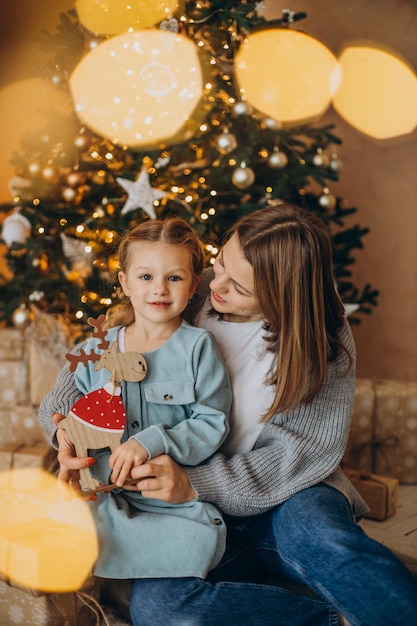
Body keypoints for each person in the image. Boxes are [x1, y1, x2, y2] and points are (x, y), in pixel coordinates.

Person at [39, 203, 417, 626]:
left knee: (328, 543)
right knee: (162, 607)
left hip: (287, 496)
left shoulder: (322, 339)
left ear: (280, 300)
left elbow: (301, 456)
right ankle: (339, 620)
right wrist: (66, 438)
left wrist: (194, 482)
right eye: (220, 264)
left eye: (238, 287)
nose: (215, 286)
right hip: (177, 510)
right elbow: (72, 390)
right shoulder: (183, 290)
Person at [40, 217, 232, 580]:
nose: (159, 289)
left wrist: (152, 441)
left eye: (174, 278)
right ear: (125, 283)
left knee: (200, 542)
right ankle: (106, 555)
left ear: (193, 286)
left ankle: (117, 563)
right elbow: (57, 401)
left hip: (163, 501)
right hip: (99, 496)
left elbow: (212, 421)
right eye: (146, 277)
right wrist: (64, 429)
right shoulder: (97, 346)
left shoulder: (198, 348)